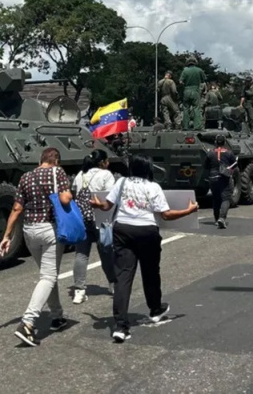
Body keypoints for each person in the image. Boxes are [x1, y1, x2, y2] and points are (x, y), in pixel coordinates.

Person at [90, 155, 199, 343]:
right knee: (150, 272)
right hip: (147, 232)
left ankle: (120, 326)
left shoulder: (122, 182)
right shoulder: (153, 187)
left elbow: (107, 205)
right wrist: (189, 211)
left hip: (122, 230)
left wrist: (98, 205)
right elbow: (166, 215)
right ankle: (155, 309)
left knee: (123, 277)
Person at [0, 147, 72, 347]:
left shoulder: (26, 177)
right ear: (56, 160)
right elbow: (65, 199)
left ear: (41, 159)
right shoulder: (58, 172)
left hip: (29, 230)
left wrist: (7, 235)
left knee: (48, 274)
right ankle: (28, 322)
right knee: (48, 276)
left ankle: (57, 316)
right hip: (49, 229)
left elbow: (17, 208)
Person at [70, 150, 117, 304]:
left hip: (82, 219)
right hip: (101, 220)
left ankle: (79, 290)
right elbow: (110, 197)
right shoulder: (106, 175)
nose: (108, 163)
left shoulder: (80, 175)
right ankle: (113, 284)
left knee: (81, 254)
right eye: (107, 161)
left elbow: (75, 194)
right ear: (102, 162)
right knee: (106, 252)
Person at [204, 134, 236, 229]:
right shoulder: (229, 153)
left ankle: (216, 219)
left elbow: (205, 166)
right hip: (224, 178)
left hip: (213, 178)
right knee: (225, 198)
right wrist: (229, 170)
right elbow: (234, 164)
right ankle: (222, 218)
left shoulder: (210, 153)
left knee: (216, 199)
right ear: (225, 142)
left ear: (215, 142)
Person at [179, 57, 207, 130]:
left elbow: (180, 82)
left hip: (186, 90)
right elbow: (203, 79)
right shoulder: (199, 70)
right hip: (195, 91)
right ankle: (197, 126)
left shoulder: (185, 70)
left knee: (185, 108)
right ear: (195, 62)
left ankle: (185, 126)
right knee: (196, 108)